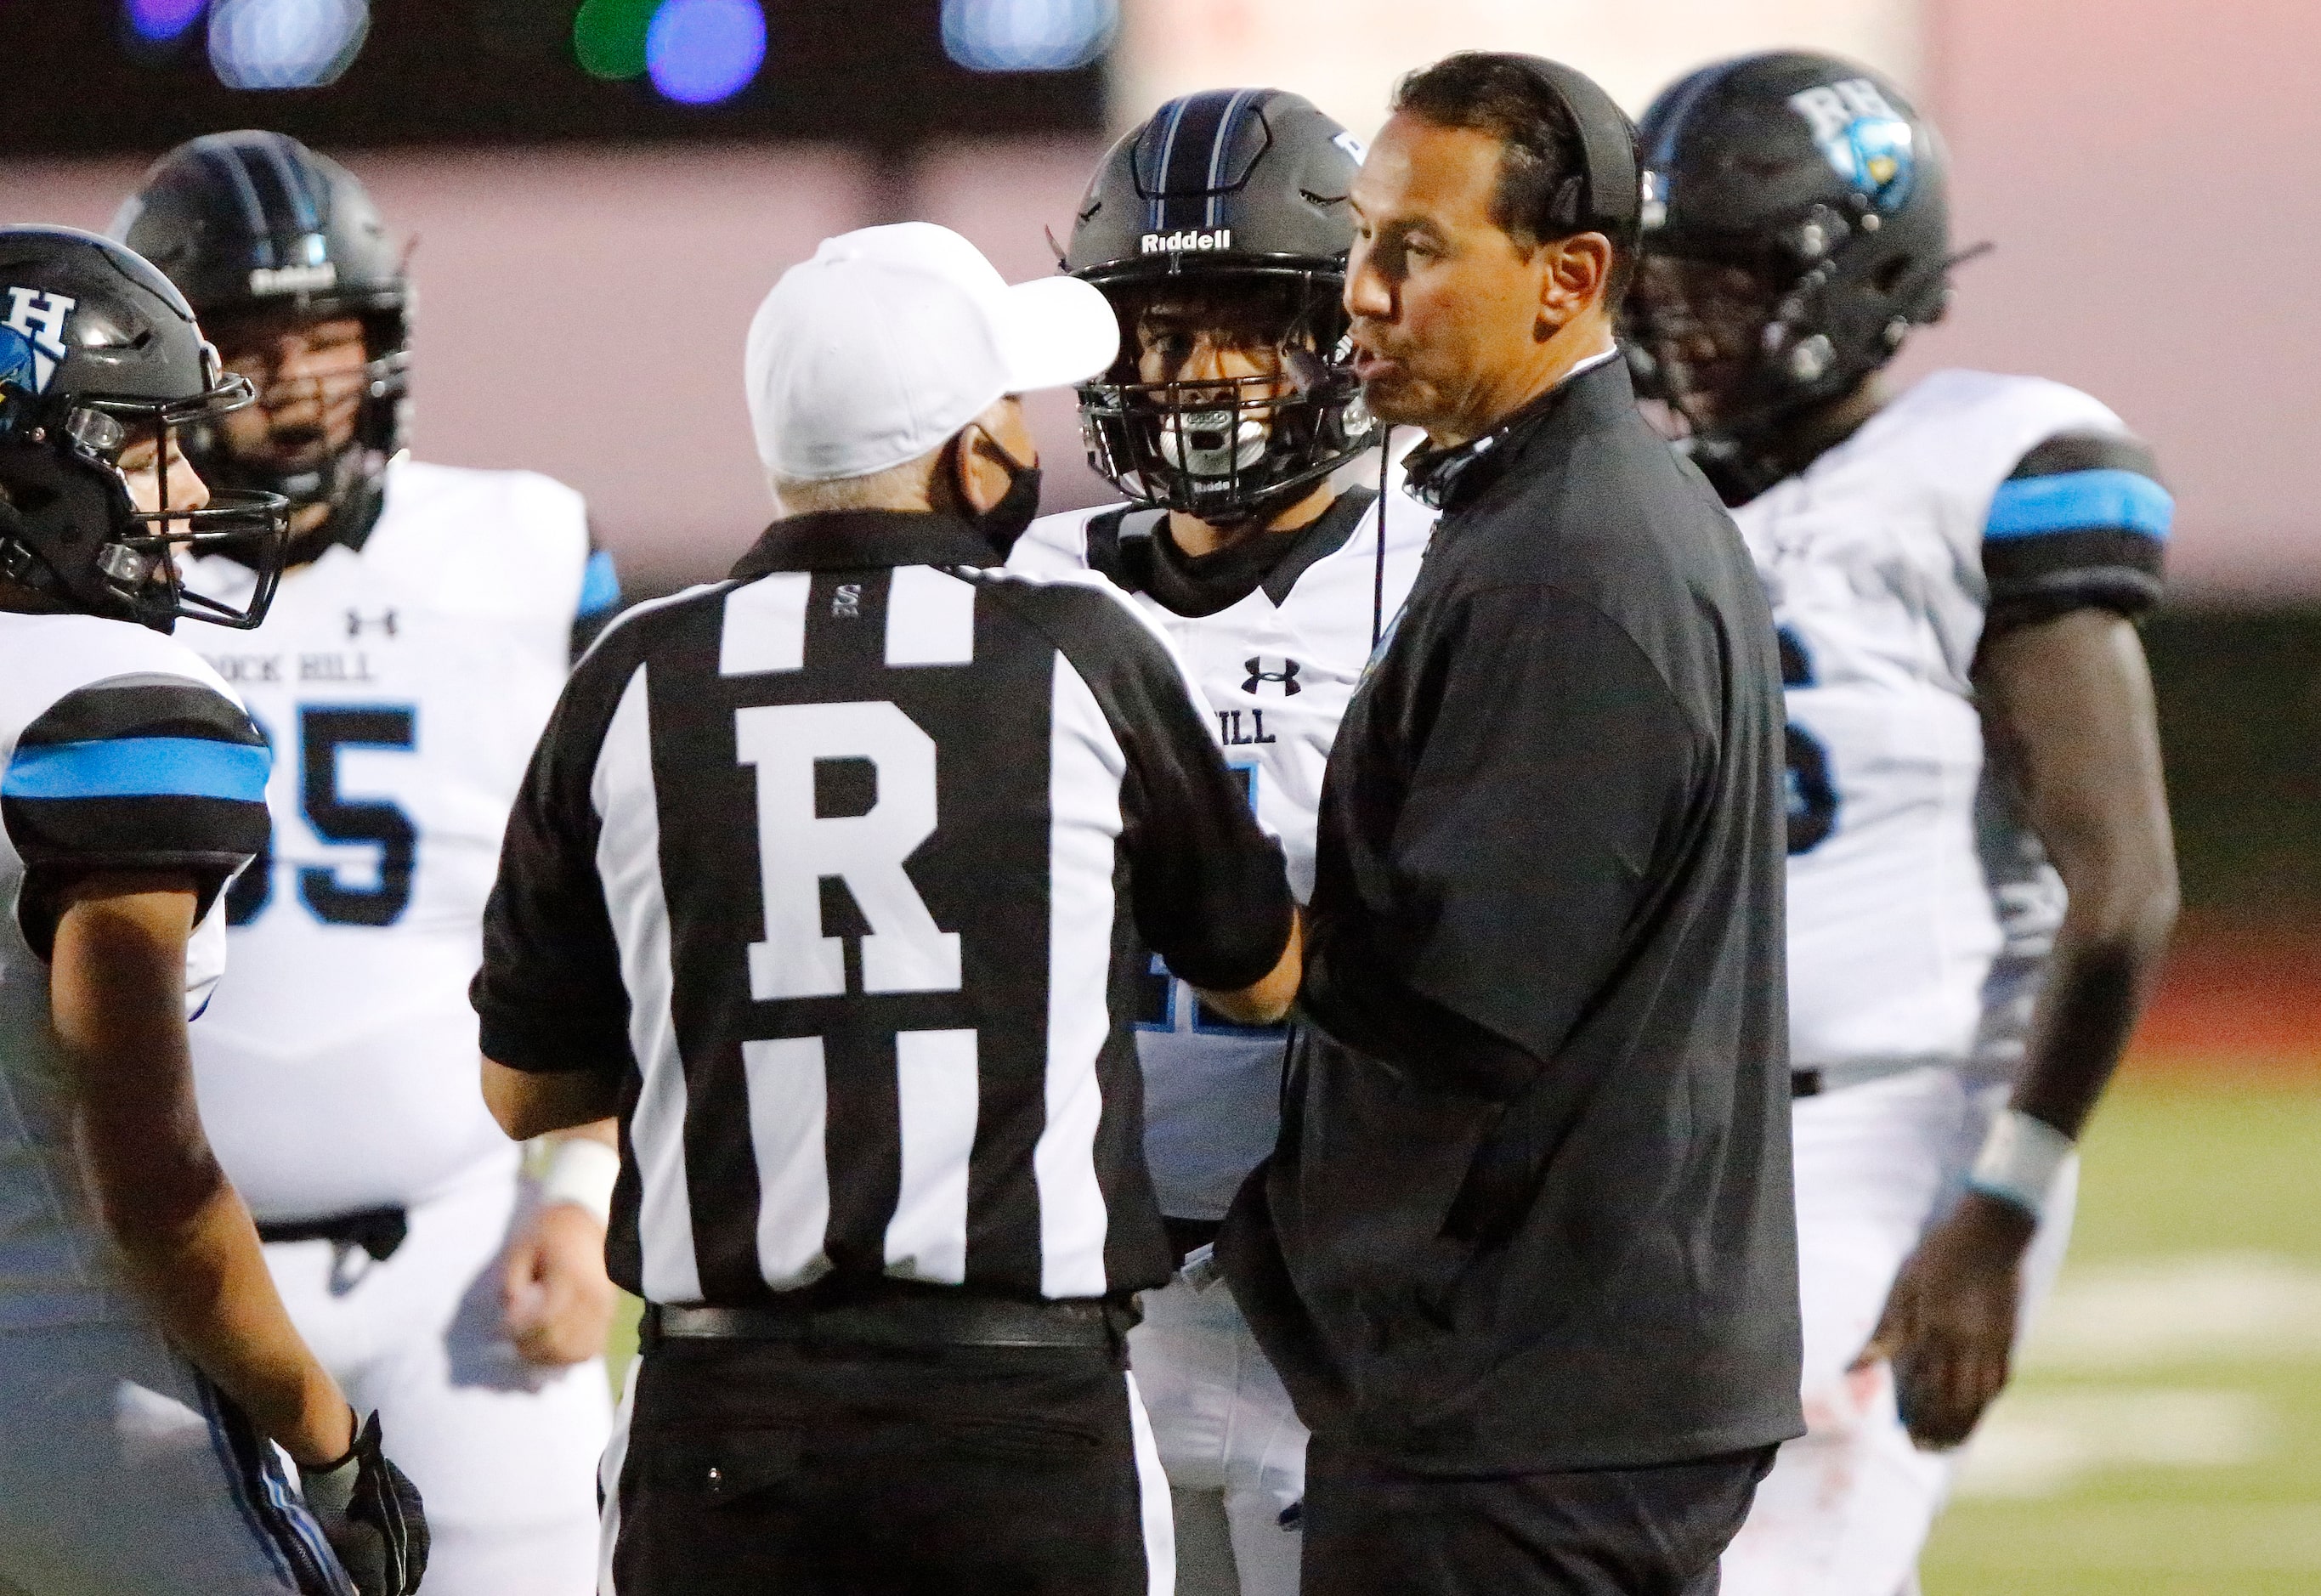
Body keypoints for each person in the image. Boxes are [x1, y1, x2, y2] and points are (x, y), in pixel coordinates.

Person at [469, 221, 1303, 1596]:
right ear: (970, 451)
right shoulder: (1082, 649)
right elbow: (1260, 977)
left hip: (726, 1413)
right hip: (1017, 1410)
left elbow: (521, 1090)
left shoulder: (629, 678)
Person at [1216, 53, 1804, 1596]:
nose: (1362, 292)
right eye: (1362, 243)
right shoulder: (1570, 516)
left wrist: (1237, 929)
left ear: (1570, 276)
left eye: (1415, 250)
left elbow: (1465, 1009)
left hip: (1526, 1408)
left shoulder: (1570, 562)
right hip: (1559, 1381)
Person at [1622, 51, 2178, 1595]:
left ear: (1870, 270)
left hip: (1892, 1119)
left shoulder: (1988, 467)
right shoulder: (1648, 507)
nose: (1687, 317)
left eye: (1732, 275)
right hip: (1674, 1133)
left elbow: (2121, 887)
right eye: (1669, 278)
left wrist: (1997, 1203)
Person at [107, 131, 622, 1596]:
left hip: (457, 1257)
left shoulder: (522, 544)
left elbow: (622, 903)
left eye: (326, 343)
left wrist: (580, 1188)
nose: (294, 387)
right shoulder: (91, 588)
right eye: (248, 350)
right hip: (160, 1281)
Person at [1010, 85, 1432, 1596]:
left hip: (1332, 1272)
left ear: (1340, 327)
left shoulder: (1433, 570)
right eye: (1167, 329)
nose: (1207, 377)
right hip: (1081, 1274)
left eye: (1253, 323)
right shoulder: (1028, 577)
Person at [0, 224, 425, 1596]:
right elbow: (152, 1177)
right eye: (144, 449)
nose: (192, 485)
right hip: (83, 1397)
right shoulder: (113, 700)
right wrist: (326, 1431)